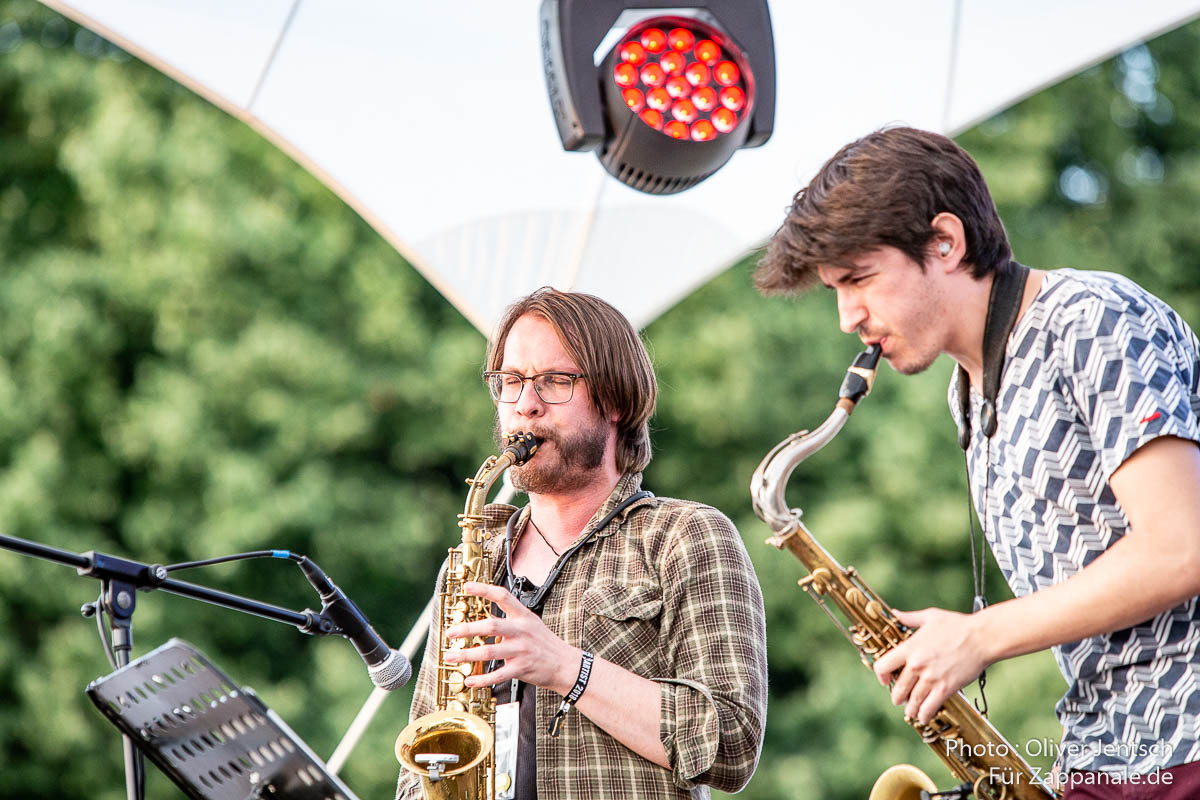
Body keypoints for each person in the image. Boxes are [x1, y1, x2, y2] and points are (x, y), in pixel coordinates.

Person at [755, 126, 1200, 798]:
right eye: (833, 290)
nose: (847, 317)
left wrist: (978, 637)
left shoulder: (1092, 320)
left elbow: (1181, 548)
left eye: (859, 279)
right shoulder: (966, 390)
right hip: (1107, 754)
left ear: (945, 241)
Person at [396, 287, 768, 799]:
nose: (525, 405)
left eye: (553, 381)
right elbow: (417, 771)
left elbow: (732, 742)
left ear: (614, 400)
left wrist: (567, 668)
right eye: (511, 381)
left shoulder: (685, 535)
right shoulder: (473, 564)